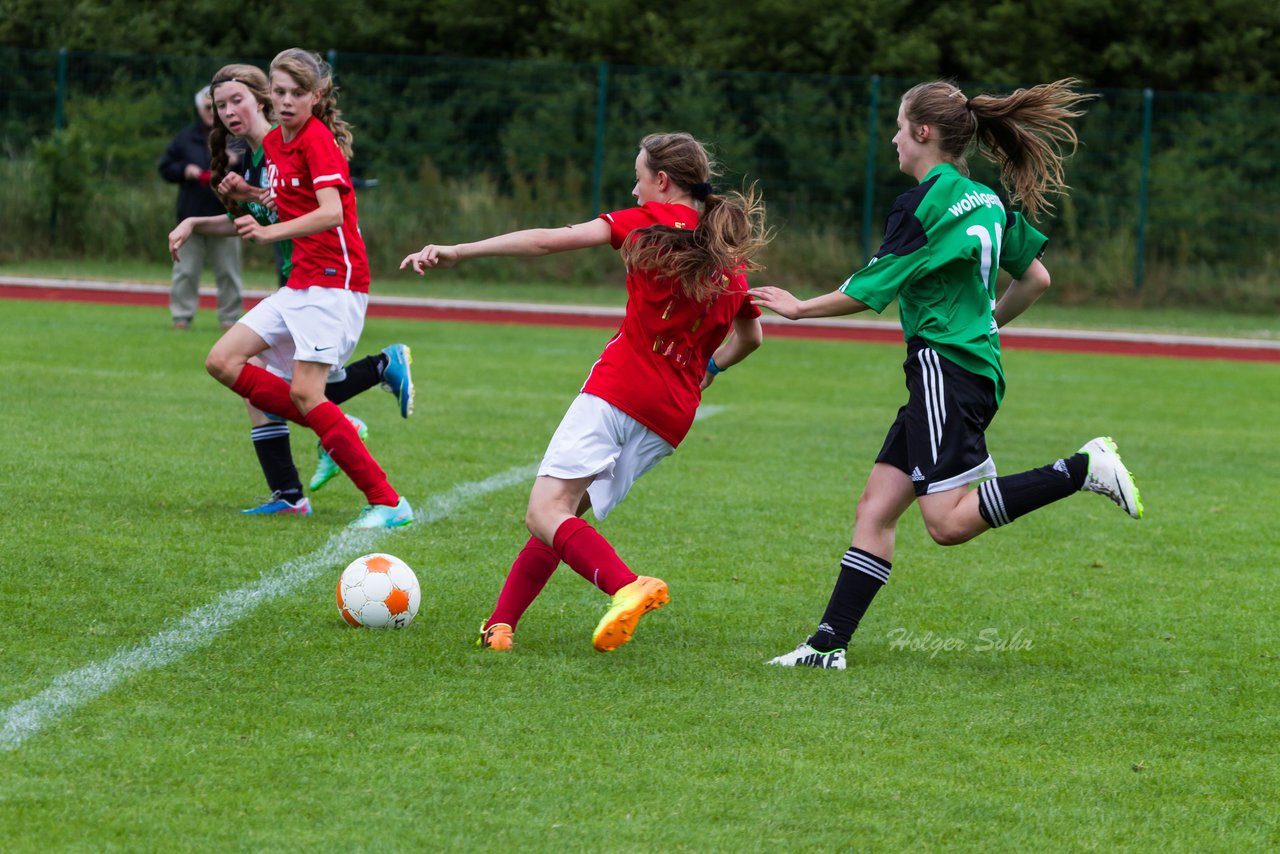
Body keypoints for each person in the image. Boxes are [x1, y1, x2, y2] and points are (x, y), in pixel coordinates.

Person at [748, 79, 1143, 671]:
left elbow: (875, 282)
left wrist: (801, 307)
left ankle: (1082, 468)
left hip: (943, 368)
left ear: (923, 134)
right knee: (876, 509)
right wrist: (986, 324)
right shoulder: (984, 199)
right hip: (966, 368)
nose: (894, 138)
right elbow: (1036, 279)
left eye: (900, 127)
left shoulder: (923, 204)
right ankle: (826, 647)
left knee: (947, 523)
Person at [402, 132, 770, 653]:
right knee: (564, 514)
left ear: (662, 181)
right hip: (671, 417)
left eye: (639, 177)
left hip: (619, 389)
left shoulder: (645, 222)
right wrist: (709, 368)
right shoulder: (728, 257)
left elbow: (547, 240)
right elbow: (752, 338)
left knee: (544, 511)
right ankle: (500, 625)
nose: (635, 189)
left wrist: (459, 251)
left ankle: (626, 586)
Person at [168, 63, 415, 516]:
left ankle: (386, 501)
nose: (284, 101)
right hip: (301, 283)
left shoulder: (314, 138)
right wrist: (242, 199)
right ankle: (327, 440)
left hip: (333, 282)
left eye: (291, 92)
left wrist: (266, 228)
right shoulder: (278, 147)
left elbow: (331, 214)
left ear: (314, 95)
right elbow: (274, 211)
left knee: (306, 394)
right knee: (222, 361)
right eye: (220, 105)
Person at [159, 85, 244, 330]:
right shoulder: (185, 138)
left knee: (229, 272)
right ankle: (181, 318)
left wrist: (236, 162)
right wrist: (184, 171)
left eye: (216, 107)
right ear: (199, 109)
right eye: (208, 107)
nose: (212, 112)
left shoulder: (237, 138)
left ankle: (229, 319)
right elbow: (165, 167)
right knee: (185, 271)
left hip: (226, 214)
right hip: (190, 215)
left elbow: (255, 168)